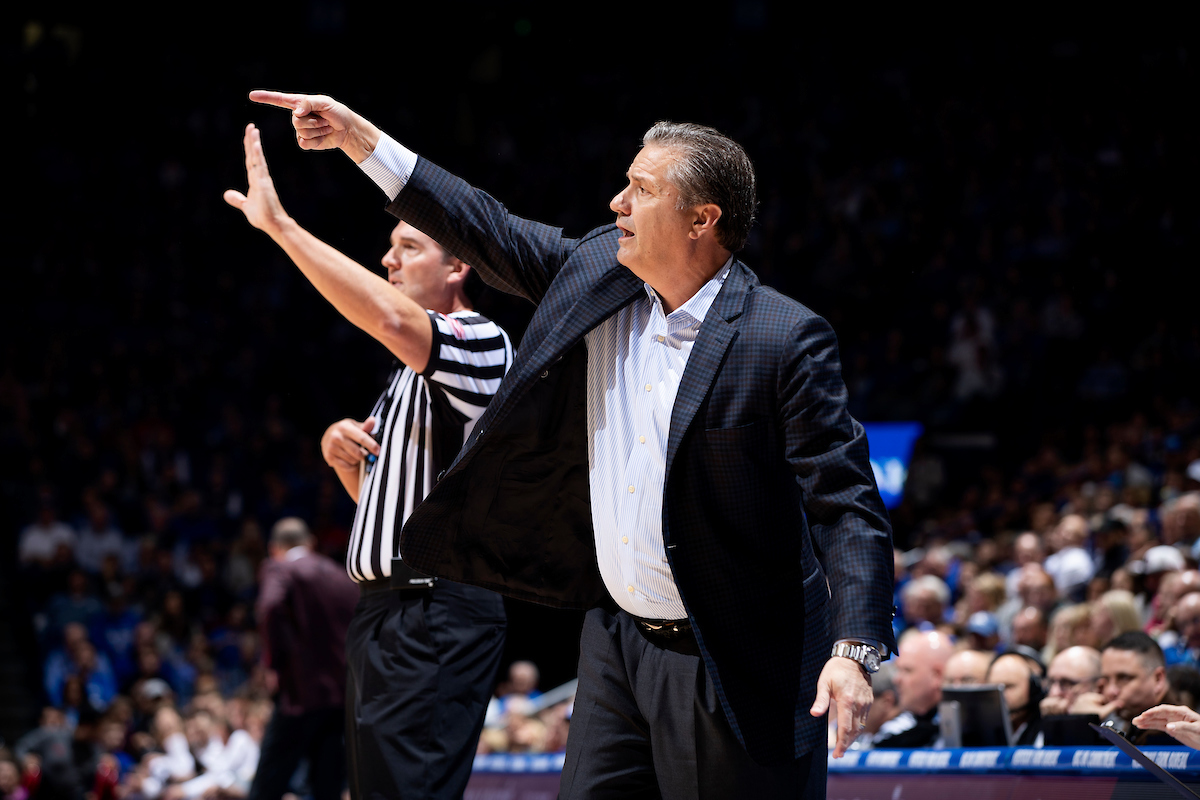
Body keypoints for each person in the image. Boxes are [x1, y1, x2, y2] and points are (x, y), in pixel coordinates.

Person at [247, 89, 897, 798]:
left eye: (641, 190)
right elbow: (481, 221)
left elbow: (846, 506)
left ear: (700, 221)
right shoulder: (596, 273)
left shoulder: (782, 338)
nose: (617, 202)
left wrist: (854, 649)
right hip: (616, 641)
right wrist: (359, 139)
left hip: (733, 654)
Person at [225, 124, 512, 799]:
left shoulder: (479, 341)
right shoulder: (408, 374)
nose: (389, 262)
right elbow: (390, 508)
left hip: (435, 609)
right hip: (386, 610)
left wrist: (283, 230)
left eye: (408, 248)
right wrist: (339, 455)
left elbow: (386, 319)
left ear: (459, 266)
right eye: (389, 249)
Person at [248, 518, 357, 800]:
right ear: (311, 544)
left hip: (300, 693)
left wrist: (275, 664)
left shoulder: (279, 567)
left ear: (274, 549)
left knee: (268, 784)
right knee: (327, 786)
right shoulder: (340, 574)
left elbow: (270, 606)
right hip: (341, 695)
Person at [1072, 631, 1175, 744]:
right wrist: (1083, 721)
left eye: (1124, 678)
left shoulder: (1183, 734)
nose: (1111, 691)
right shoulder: (1124, 724)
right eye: (1106, 680)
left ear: (1158, 679)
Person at [875, 631, 953, 749]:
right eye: (898, 670)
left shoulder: (966, 729)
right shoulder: (893, 734)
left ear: (937, 675)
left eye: (907, 670)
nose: (896, 679)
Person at [985, 651, 1043, 745]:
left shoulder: (1045, 729)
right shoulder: (985, 730)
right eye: (995, 688)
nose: (1001, 695)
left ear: (1033, 688)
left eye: (1009, 686)